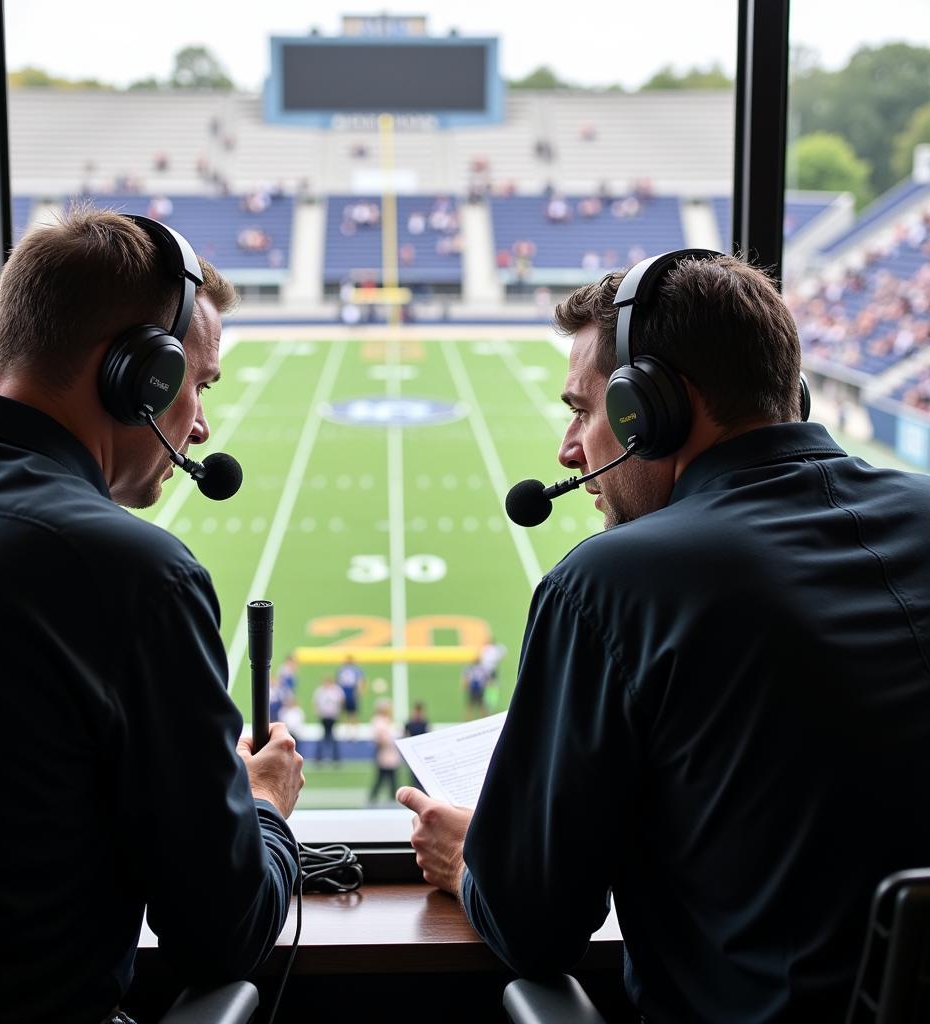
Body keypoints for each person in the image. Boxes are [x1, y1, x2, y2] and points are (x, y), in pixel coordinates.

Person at [398, 250, 930, 1023]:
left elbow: (533, 927)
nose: (569, 450)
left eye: (584, 410)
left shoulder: (611, 585)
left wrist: (469, 860)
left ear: (652, 410)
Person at [0, 207, 305, 1024]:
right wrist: (263, 805)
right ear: (139, 376)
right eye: (198, 384)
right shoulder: (130, 575)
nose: (199, 424)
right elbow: (223, 934)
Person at [367, 699, 401, 805]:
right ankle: (376, 797)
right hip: (385, 753)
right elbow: (380, 738)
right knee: (384, 777)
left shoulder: (386, 720)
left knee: (390, 778)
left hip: (391, 753)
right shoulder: (379, 721)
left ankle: (390, 797)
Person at [312, 676, 345, 764]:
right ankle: (319, 757)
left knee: (332, 736)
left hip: (333, 716)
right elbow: (316, 702)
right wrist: (318, 712)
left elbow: (341, 701)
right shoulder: (320, 691)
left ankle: (335, 757)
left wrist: (339, 712)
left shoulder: (336, 691)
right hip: (324, 716)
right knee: (324, 736)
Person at [336, 654, 367, 732]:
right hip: (344, 691)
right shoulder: (343, 669)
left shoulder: (355, 669)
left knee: (353, 713)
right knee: (344, 712)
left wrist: (359, 691)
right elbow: (338, 682)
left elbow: (360, 681)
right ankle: (345, 730)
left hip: (351, 691)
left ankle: (354, 731)